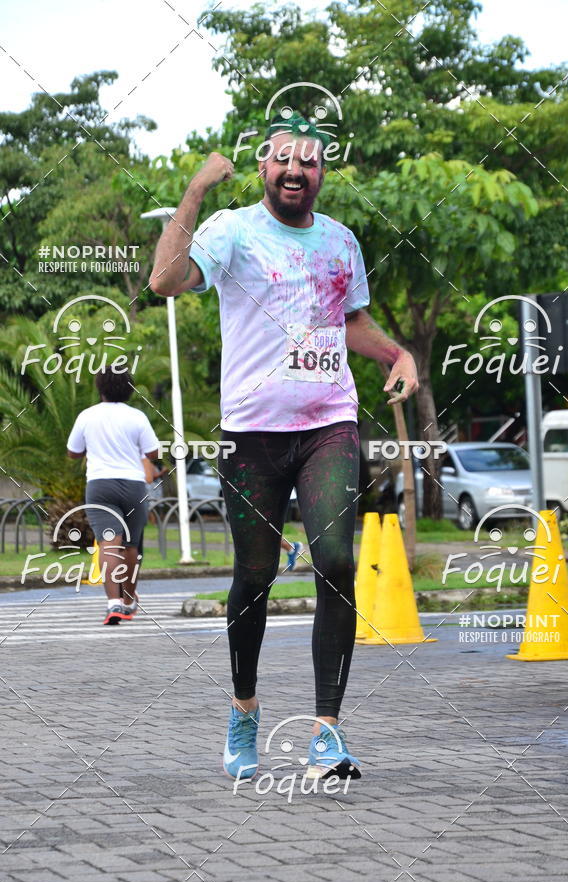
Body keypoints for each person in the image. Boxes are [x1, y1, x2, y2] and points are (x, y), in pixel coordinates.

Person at [150, 113, 419, 781]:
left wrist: (395, 352)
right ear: (265, 166)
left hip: (330, 422)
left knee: (334, 559)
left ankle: (327, 730)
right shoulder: (231, 231)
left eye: (311, 162)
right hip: (252, 435)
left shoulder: (341, 241)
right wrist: (195, 191)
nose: (297, 172)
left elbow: (348, 319)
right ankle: (245, 711)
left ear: (323, 173)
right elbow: (164, 280)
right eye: (284, 161)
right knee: (256, 576)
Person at [67, 367, 160, 625]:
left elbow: (73, 451)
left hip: (100, 485)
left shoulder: (87, 416)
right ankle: (129, 601)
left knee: (109, 543)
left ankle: (113, 604)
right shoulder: (138, 417)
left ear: (100, 388)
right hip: (133, 486)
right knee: (130, 545)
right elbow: (153, 453)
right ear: (129, 389)